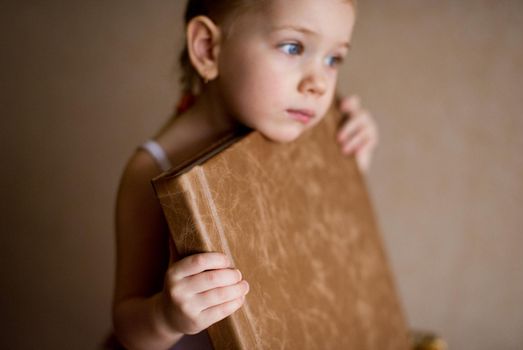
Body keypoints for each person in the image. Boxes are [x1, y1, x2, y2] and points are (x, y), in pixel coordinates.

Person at [111, 0, 379, 349]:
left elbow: (322, 248)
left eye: (334, 59)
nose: (318, 84)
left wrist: (349, 162)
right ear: (208, 49)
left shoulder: (299, 132)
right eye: (293, 47)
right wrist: (166, 315)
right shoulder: (152, 169)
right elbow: (128, 327)